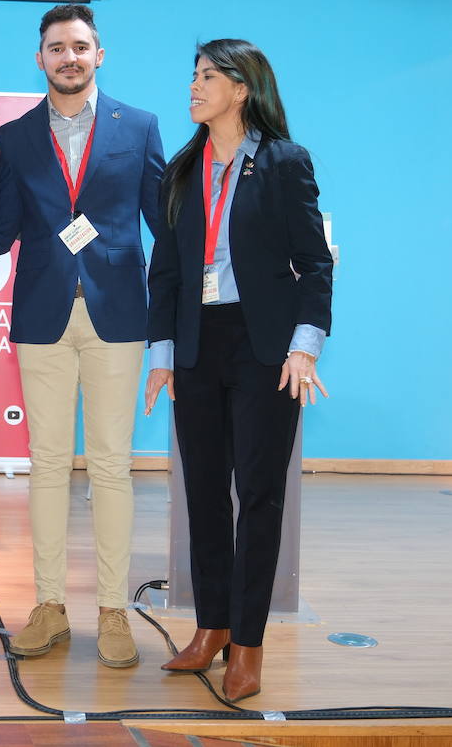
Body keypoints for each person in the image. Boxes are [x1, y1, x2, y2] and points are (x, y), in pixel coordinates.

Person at [144, 38, 332, 701]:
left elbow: (315, 264)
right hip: (197, 345)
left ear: (242, 87)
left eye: (206, 76)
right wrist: (162, 355)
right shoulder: (180, 169)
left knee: (258, 495)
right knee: (202, 494)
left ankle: (248, 644)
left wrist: (304, 347)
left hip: (265, 348)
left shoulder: (284, 162)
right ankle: (211, 627)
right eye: (192, 75)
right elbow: (166, 270)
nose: (193, 87)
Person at [0, 4, 164, 668]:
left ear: (99, 54)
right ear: (40, 59)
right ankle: (50, 605)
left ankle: (113, 609)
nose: (69, 57)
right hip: (42, 317)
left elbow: (164, 222)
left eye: (80, 46)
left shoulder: (138, 126)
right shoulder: (16, 136)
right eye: (57, 48)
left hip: (118, 315)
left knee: (112, 466)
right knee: (49, 464)